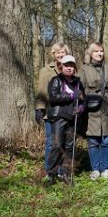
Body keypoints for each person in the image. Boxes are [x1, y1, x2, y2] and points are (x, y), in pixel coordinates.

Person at [79, 43, 108, 180]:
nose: (99, 53)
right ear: (91, 54)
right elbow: (80, 89)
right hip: (92, 108)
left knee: (107, 140)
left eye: (101, 51)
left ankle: (105, 168)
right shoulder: (84, 69)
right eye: (96, 51)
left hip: (107, 107)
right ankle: (95, 169)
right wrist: (81, 105)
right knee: (93, 140)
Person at [45, 55, 86, 184]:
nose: (69, 68)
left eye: (71, 65)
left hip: (73, 118)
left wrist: (81, 108)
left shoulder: (78, 82)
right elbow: (53, 97)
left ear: (75, 67)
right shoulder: (56, 80)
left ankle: (66, 173)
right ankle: (51, 174)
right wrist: (71, 95)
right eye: (66, 65)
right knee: (57, 146)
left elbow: (83, 98)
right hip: (59, 117)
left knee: (70, 146)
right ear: (61, 66)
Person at [35, 42, 69, 174]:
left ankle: (62, 170)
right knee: (52, 143)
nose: (60, 54)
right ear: (53, 54)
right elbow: (41, 91)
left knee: (64, 142)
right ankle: (50, 171)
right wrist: (39, 108)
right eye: (57, 52)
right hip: (51, 112)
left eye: (63, 52)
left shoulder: (71, 68)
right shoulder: (46, 70)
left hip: (67, 112)